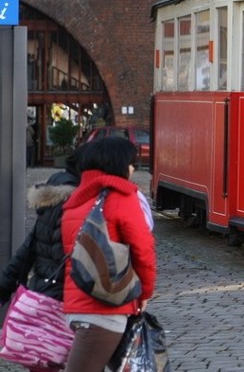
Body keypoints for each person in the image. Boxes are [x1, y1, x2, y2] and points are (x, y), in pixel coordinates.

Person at [61, 137, 157, 372]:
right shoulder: (122, 197)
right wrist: (144, 292)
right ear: (120, 164)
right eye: (132, 164)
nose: (133, 170)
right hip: (105, 309)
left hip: (76, 305)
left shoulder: (76, 201)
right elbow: (143, 250)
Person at [0, 144, 87, 371]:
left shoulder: (52, 200)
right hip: (64, 299)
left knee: (43, 359)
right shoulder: (76, 203)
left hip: (41, 293)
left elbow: (27, 250)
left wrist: (5, 285)